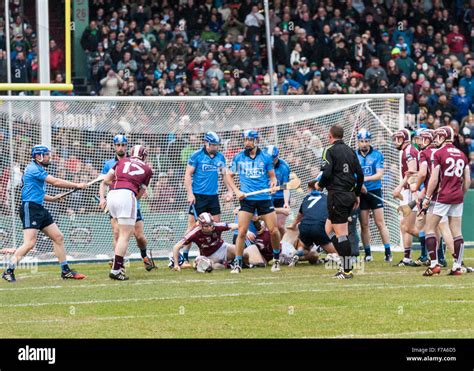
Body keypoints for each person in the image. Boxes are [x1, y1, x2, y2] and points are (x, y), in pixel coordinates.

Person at [2, 145, 88, 282]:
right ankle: (8, 271)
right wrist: (76, 185)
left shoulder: (38, 169)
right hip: (30, 208)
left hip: (38, 207)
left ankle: (65, 271)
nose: (49, 157)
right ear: (38, 156)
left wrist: (53, 198)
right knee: (29, 243)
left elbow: (38, 193)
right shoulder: (33, 168)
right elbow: (55, 182)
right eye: (47, 154)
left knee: (58, 237)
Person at [225, 130, 281, 274]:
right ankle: (237, 264)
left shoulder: (266, 157)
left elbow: (272, 177)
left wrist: (273, 184)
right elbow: (229, 176)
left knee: (274, 231)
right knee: (242, 232)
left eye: (249, 139)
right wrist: (237, 192)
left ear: (256, 141)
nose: (247, 142)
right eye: (245, 140)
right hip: (247, 200)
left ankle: (276, 259)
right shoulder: (239, 158)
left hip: (264, 199)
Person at [99, 135, 155, 272]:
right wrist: (102, 198)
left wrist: (124, 187)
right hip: (125, 198)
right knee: (118, 233)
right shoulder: (110, 164)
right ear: (114, 146)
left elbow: (106, 180)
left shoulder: (124, 162)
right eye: (118, 145)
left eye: (123, 145)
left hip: (127, 200)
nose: (120, 147)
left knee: (139, 235)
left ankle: (144, 256)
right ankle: (119, 264)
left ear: (128, 148)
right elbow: (103, 182)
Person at [315, 125, 364, 279]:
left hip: (337, 195)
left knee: (341, 234)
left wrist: (320, 185)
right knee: (328, 228)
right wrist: (356, 194)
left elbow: (327, 172)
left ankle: (347, 270)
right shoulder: (351, 151)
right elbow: (360, 175)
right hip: (348, 195)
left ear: (330, 136)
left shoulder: (329, 150)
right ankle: (345, 263)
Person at [421, 126, 470, 276]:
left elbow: (434, 178)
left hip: (442, 197)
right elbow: (467, 180)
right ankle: (457, 266)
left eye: (437, 137)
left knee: (429, 228)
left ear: (442, 137)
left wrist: (427, 197)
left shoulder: (438, 153)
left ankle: (434, 264)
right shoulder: (462, 154)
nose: (435, 140)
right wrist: (461, 193)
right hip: (457, 197)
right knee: (457, 233)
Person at [182, 132, 233, 267]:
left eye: (217, 145)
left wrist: (230, 190)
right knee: (193, 227)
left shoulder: (220, 157)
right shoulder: (196, 156)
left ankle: (217, 255)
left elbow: (224, 175)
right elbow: (188, 174)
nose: (215, 147)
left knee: (216, 226)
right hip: (198, 196)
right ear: (206, 143)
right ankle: (184, 258)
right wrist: (190, 193)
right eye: (213, 145)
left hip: (213, 197)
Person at [355, 129, 392, 262]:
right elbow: (353, 174)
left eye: (366, 141)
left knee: (380, 222)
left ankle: (388, 252)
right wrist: (359, 185)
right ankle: (368, 253)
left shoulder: (377, 155)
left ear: (370, 141)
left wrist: (364, 180)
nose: (364, 144)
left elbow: (379, 174)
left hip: (374, 191)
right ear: (358, 142)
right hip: (361, 193)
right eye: (361, 141)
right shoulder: (354, 155)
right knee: (364, 224)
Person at [287, 180, 339, 269]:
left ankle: (297, 253)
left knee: (303, 247)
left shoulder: (306, 198)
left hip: (304, 226)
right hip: (318, 226)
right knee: (335, 253)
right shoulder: (327, 198)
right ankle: (337, 258)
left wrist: (292, 225)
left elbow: (299, 216)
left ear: (309, 188)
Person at [392, 129, 420, 267]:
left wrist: (399, 187)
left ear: (401, 139)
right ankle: (407, 257)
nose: (394, 142)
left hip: (411, 192)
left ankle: (434, 245)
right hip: (408, 191)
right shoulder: (407, 150)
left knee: (408, 227)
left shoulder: (409, 151)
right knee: (403, 226)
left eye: (396, 139)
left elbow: (412, 172)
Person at [172, 212, 238, 271]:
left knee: (237, 249)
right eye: (206, 226)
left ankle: (241, 262)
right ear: (200, 225)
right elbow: (176, 247)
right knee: (209, 265)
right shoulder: (194, 232)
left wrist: (247, 232)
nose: (209, 228)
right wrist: (176, 265)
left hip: (221, 248)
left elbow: (235, 225)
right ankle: (228, 265)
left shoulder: (216, 225)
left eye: (210, 225)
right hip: (208, 256)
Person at [263, 145, 291, 237]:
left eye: (273, 159)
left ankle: (289, 244)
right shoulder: (262, 165)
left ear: (277, 157)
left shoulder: (284, 166)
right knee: (268, 226)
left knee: (280, 225)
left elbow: (285, 186)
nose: (270, 162)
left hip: (281, 197)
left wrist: (286, 202)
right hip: (267, 197)